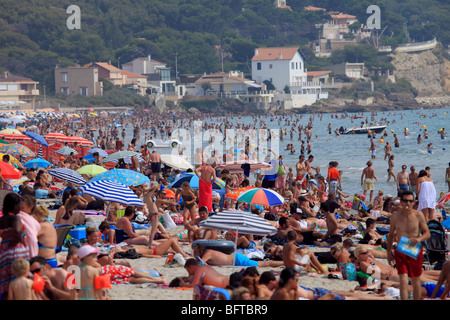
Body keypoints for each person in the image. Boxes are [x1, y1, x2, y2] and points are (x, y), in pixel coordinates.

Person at [386, 190, 430, 300]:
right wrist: (388, 253)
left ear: (414, 202)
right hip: (401, 249)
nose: (408, 204)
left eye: (410, 201)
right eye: (405, 201)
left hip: (414, 249)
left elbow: (427, 233)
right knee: (403, 281)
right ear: (400, 201)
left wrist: (419, 238)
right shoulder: (395, 216)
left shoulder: (418, 215)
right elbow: (391, 235)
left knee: (415, 281)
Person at [193, 243, 283, 268]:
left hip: (237, 260)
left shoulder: (207, 253)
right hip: (237, 258)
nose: (194, 254)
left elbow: (200, 265)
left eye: (195, 252)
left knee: (264, 264)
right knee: (262, 264)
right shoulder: (208, 253)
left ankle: (284, 262)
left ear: (200, 252)